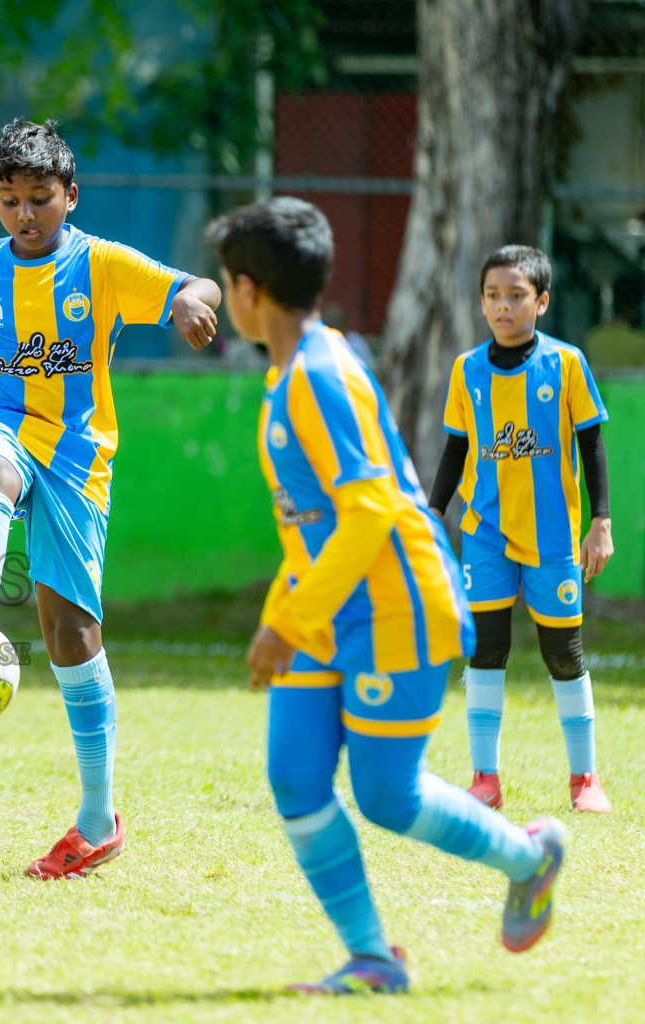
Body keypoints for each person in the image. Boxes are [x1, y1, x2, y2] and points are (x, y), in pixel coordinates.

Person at [211, 197, 567, 995]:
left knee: (385, 794)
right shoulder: (293, 369)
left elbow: (371, 507)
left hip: (394, 607)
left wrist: (288, 619)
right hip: (322, 606)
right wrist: (286, 618)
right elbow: (314, 526)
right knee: (297, 780)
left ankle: (530, 855)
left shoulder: (320, 374)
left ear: (245, 290)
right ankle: (372, 956)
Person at [0, 119, 221, 879]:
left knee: (71, 635)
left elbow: (195, 283)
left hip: (80, 458)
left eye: (40, 199)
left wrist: (187, 304)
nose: (26, 214)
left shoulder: (103, 265)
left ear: (70, 196)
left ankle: (97, 819)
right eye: (10, 200)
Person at [427, 245, 614, 813]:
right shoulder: (468, 370)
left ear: (542, 301)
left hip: (555, 536)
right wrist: (432, 520)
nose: (502, 306)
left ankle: (585, 780)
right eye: (492, 295)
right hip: (484, 533)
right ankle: (485, 778)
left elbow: (592, 445)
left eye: (516, 295)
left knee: (563, 652)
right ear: (481, 301)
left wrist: (600, 521)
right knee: (485, 649)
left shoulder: (566, 364)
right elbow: (455, 452)